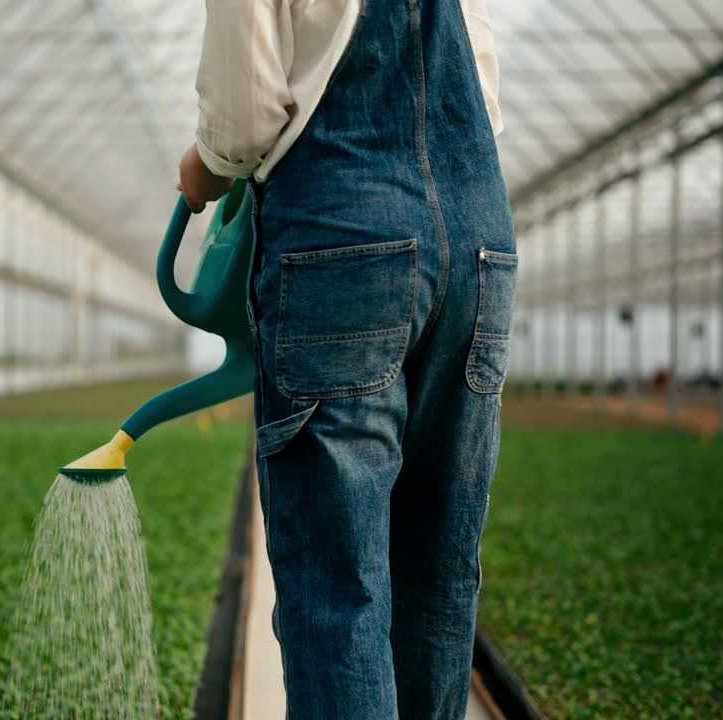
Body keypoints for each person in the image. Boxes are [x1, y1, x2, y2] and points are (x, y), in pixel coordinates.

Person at [177, 1, 514, 717]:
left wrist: (201, 168)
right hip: (479, 240)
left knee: (339, 595)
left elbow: (242, 118)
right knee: (438, 577)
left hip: (343, 229)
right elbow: (483, 93)